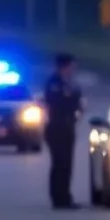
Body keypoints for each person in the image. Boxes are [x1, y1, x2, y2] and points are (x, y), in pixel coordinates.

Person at [44, 53, 83, 209]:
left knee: (67, 164)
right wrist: (71, 101)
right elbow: (57, 103)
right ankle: (58, 198)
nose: (73, 68)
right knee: (59, 164)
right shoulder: (54, 83)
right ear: (64, 66)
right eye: (71, 65)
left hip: (68, 127)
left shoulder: (69, 83)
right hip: (56, 128)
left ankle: (66, 196)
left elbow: (76, 100)